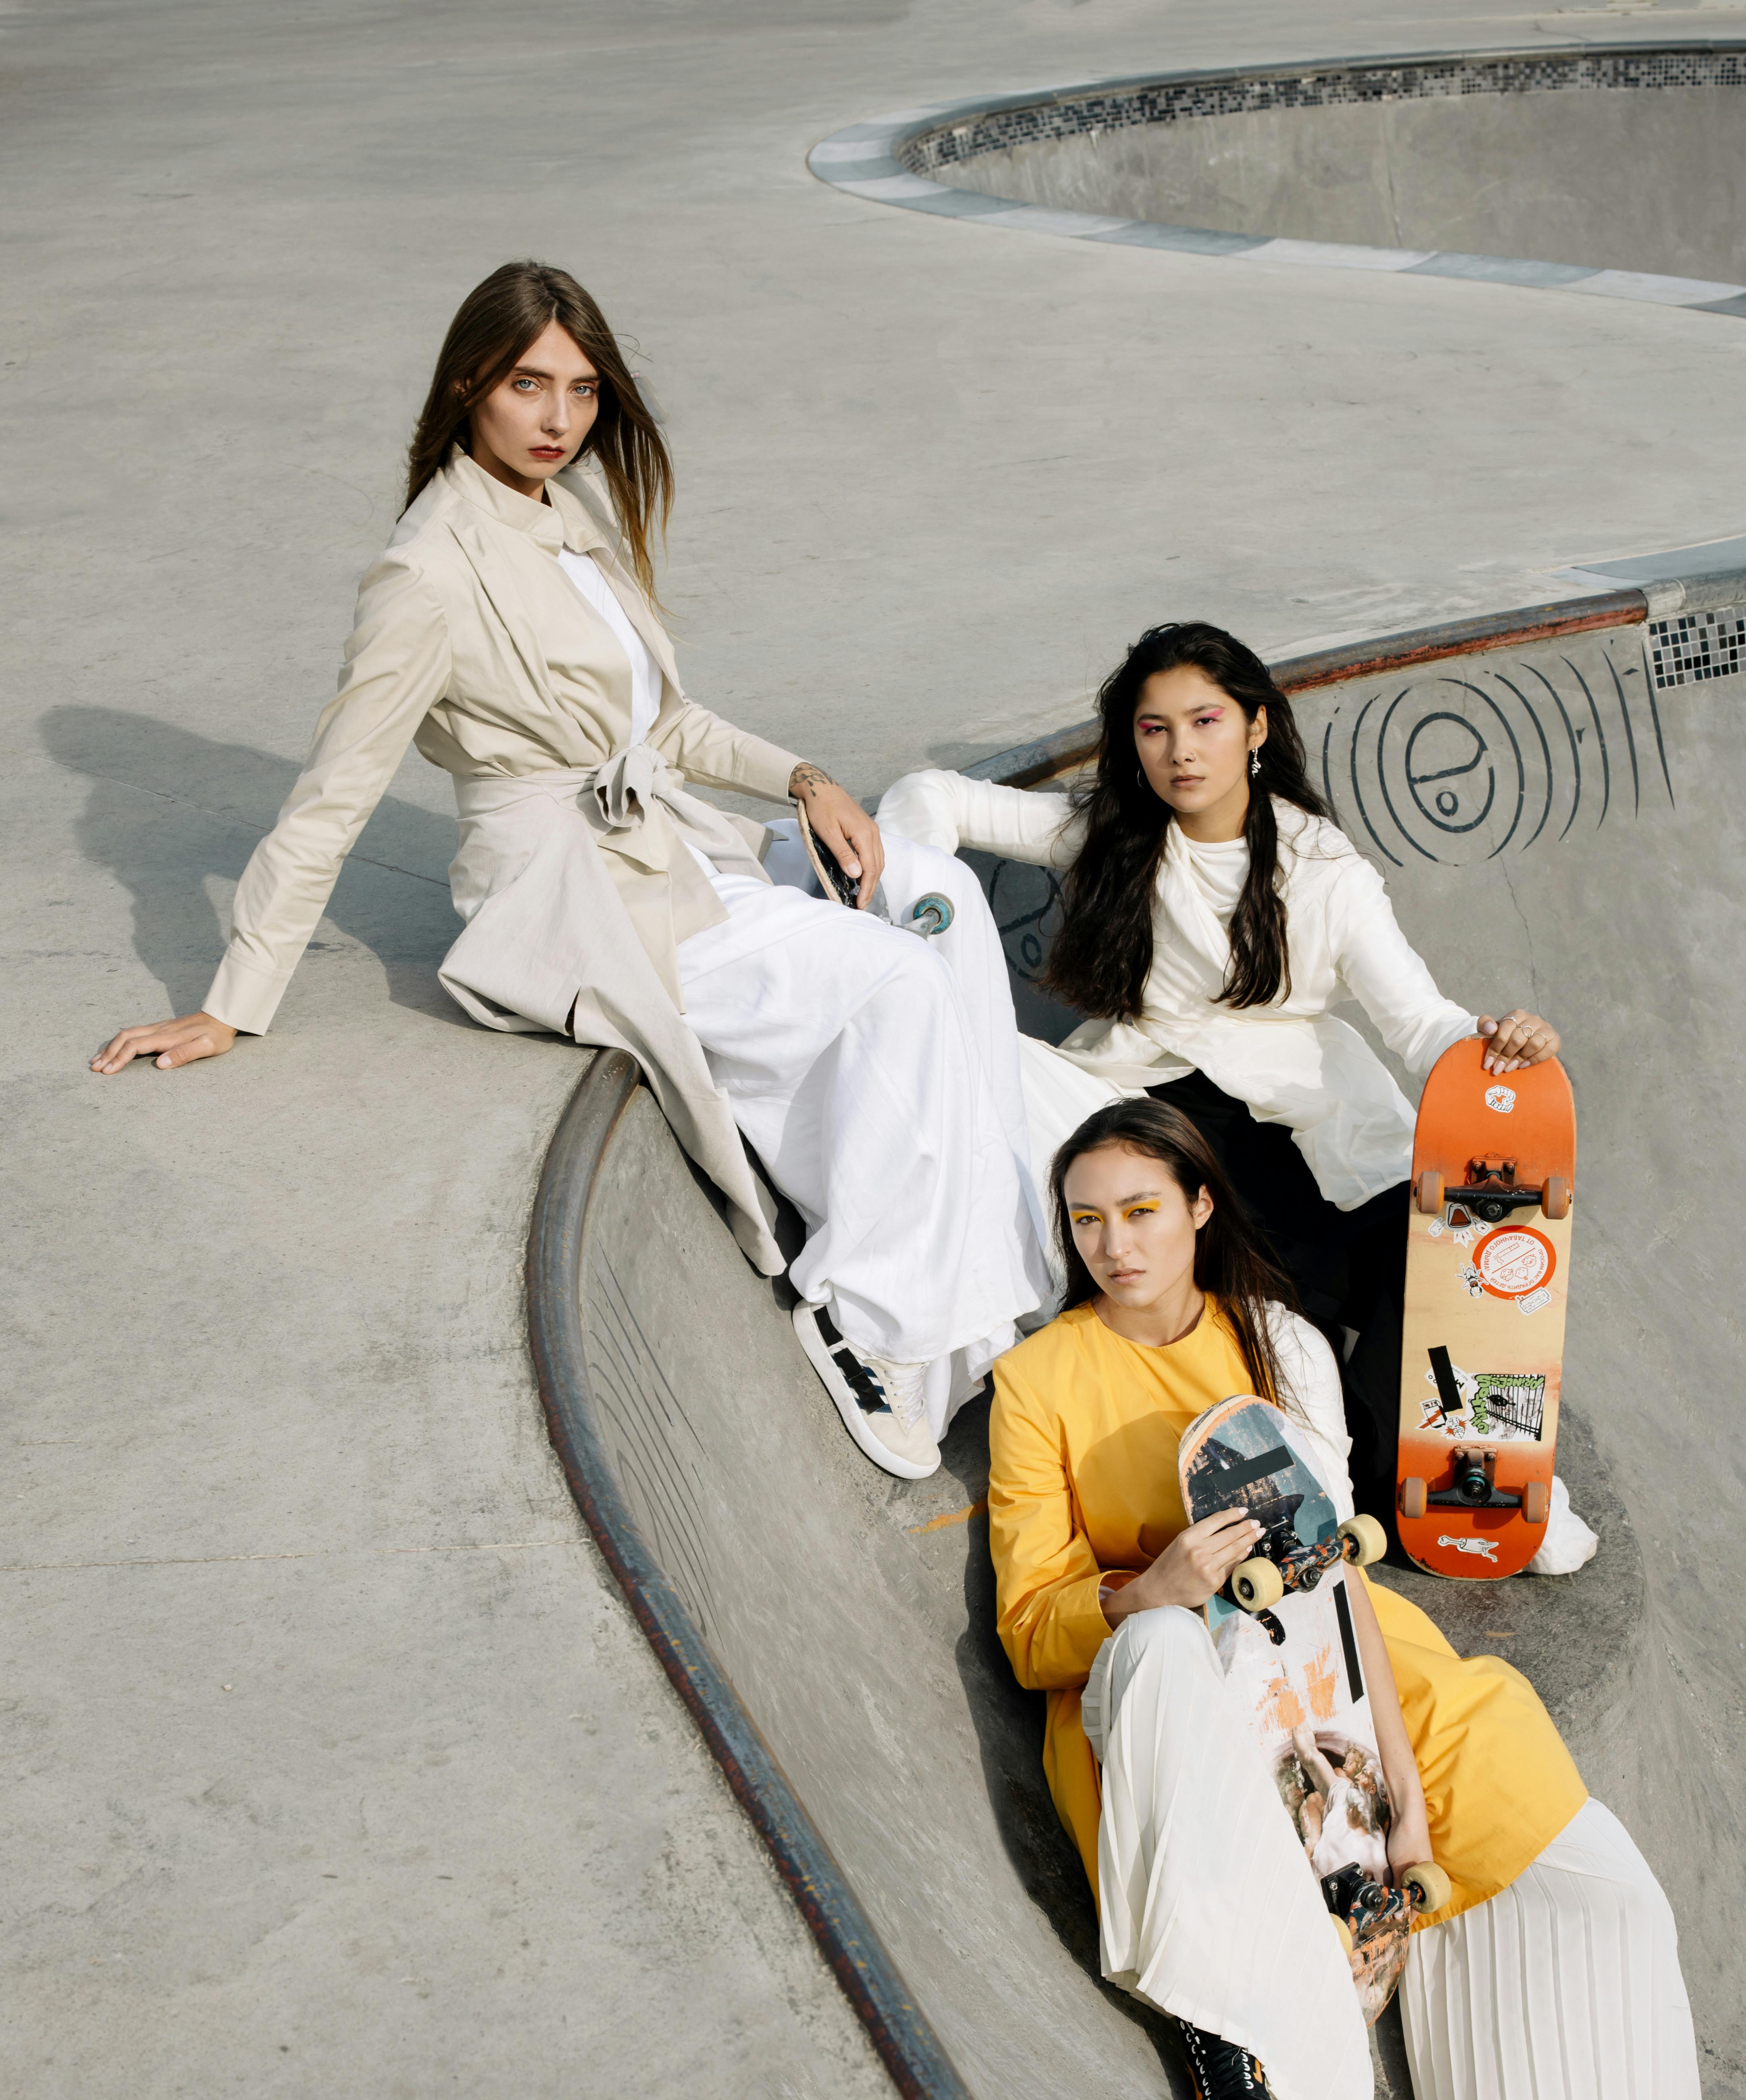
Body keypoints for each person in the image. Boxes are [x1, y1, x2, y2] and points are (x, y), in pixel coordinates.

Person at [92, 259, 1049, 1480]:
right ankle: (879, 1328)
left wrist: (806, 779)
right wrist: (237, 999)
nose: (559, 421)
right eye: (529, 386)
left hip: (667, 844)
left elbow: (666, 724)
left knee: (941, 897)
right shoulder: (429, 573)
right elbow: (334, 793)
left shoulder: (567, 515)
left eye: (584, 391)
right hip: (574, 893)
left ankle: (999, 1265)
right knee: (895, 984)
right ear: (467, 384)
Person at [986, 1099, 1746, 2100]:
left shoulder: (1283, 1347)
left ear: (1199, 1208)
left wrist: (1407, 1805)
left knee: (1596, 1869)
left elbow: (1341, 1574)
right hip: (1170, 1681)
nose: (1114, 1246)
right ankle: (1217, 2016)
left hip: (1345, 1667)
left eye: (1141, 1211)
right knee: (1153, 1655)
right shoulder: (1040, 1384)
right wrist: (1153, 1589)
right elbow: (1033, 1629)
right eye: (1087, 1220)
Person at [877, 622, 1589, 1559]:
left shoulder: (1322, 866)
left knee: (1413, 1278)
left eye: (1205, 721)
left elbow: (1420, 1019)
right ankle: (1353, 1485)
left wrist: (1495, 1044)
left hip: (1309, 1122)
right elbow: (930, 797)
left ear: (1256, 727)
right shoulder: (1117, 835)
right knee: (983, 1074)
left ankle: (1474, 1485)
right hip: (1162, 1107)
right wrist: (912, 908)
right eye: (1154, 729)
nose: (1181, 752)